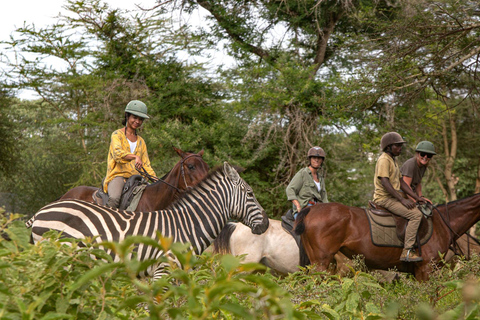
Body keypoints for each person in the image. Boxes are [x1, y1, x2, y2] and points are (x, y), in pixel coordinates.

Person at [372, 132, 425, 262]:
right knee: (416, 215)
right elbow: (385, 182)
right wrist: (402, 199)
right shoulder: (384, 159)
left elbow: (401, 182)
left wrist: (417, 198)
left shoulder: (393, 160)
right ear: (389, 146)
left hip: (393, 197)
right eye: (398, 146)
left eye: (401, 146)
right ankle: (407, 251)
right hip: (384, 198)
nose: (400, 148)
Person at [103, 100, 157, 208]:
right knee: (114, 198)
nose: (137, 121)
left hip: (137, 178)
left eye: (140, 119)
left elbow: (146, 165)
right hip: (118, 176)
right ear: (127, 116)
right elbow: (118, 154)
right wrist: (135, 157)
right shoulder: (117, 135)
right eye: (135, 117)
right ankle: (108, 221)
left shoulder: (141, 141)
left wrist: (158, 181)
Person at [286, 146, 328, 219]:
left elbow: (324, 198)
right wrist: (298, 205)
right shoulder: (303, 173)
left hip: (318, 211)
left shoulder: (320, 178)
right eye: (314, 158)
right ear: (310, 159)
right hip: (304, 210)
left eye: (319, 158)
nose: (316, 160)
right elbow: (290, 189)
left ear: (322, 160)